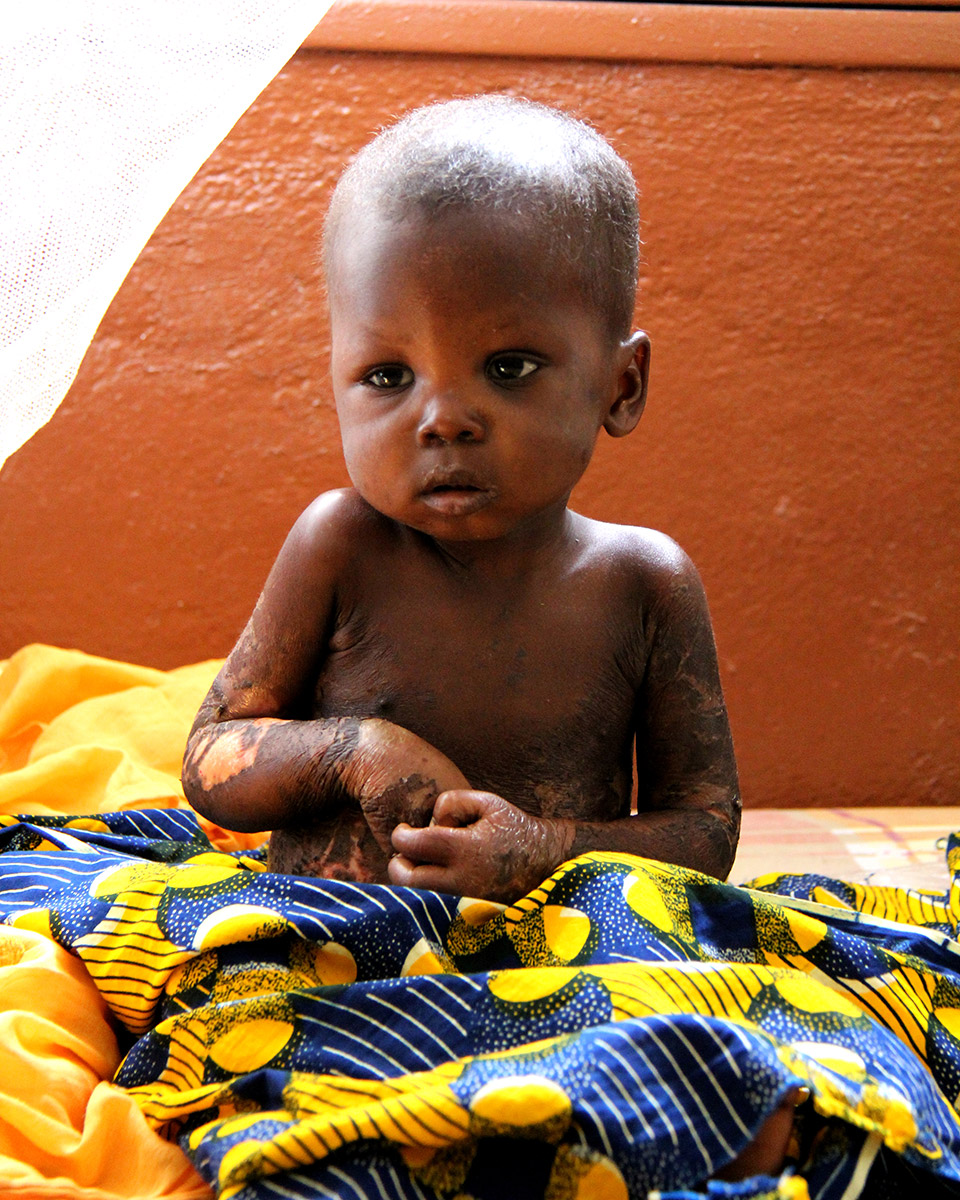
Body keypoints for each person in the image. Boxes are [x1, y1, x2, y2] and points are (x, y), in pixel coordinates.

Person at [181, 95, 741, 902]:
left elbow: (705, 829)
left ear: (621, 385)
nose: (442, 418)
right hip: (327, 935)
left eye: (509, 368)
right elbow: (210, 759)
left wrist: (543, 849)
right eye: (389, 376)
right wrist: (351, 751)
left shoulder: (644, 584)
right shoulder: (339, 544)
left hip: (549, 945)